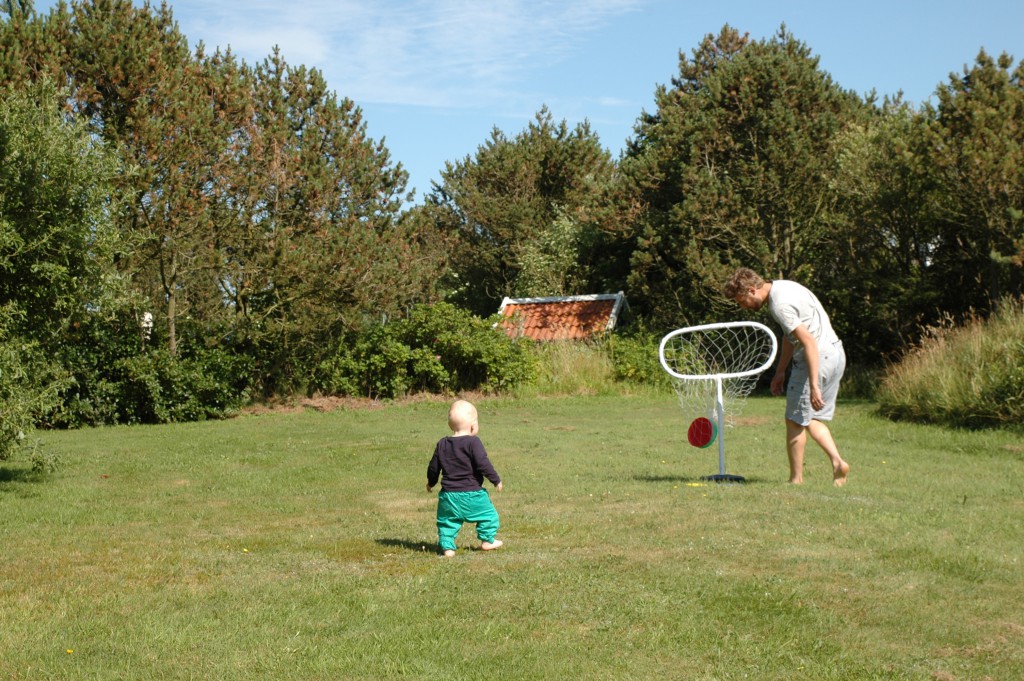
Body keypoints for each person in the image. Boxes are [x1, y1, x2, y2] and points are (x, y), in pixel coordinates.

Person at [723, 267, 850, 486]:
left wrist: (814, 385)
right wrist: (780, 371)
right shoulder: (785, 287)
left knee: (794, 421)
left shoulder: (779, 305)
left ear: (752, 290)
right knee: (810, 418)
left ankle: (796, 480)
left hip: (816, 358)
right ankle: (838, 463)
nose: (741, 306)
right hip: (835, 353)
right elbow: (790, 337)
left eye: (740, 300)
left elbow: (808, 341)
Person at [426, 399, 504, 556]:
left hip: (448, 496)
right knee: (489, 516)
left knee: (447, 522)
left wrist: (431, 482)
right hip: (472, 494)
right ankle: (488, 540)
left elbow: (434, 467)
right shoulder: (473, 442)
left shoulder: (442, 443)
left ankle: (447, 547)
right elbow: (483, 464)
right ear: (473, 425)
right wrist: (495, 479)